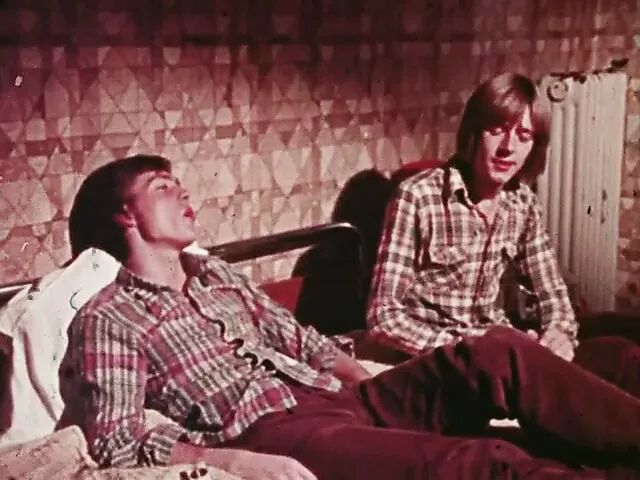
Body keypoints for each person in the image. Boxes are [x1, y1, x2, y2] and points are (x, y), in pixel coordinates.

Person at [61, 154, 640, 480]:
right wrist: (233, 460)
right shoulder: (110, 318)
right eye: (164, 187)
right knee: (482, 463)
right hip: (277, 433)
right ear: (124, 216)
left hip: (338, 399)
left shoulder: (217, 275)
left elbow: (303, 341)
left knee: (499, 350)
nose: (186, 194)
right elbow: (116, 441)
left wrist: (379, 394)